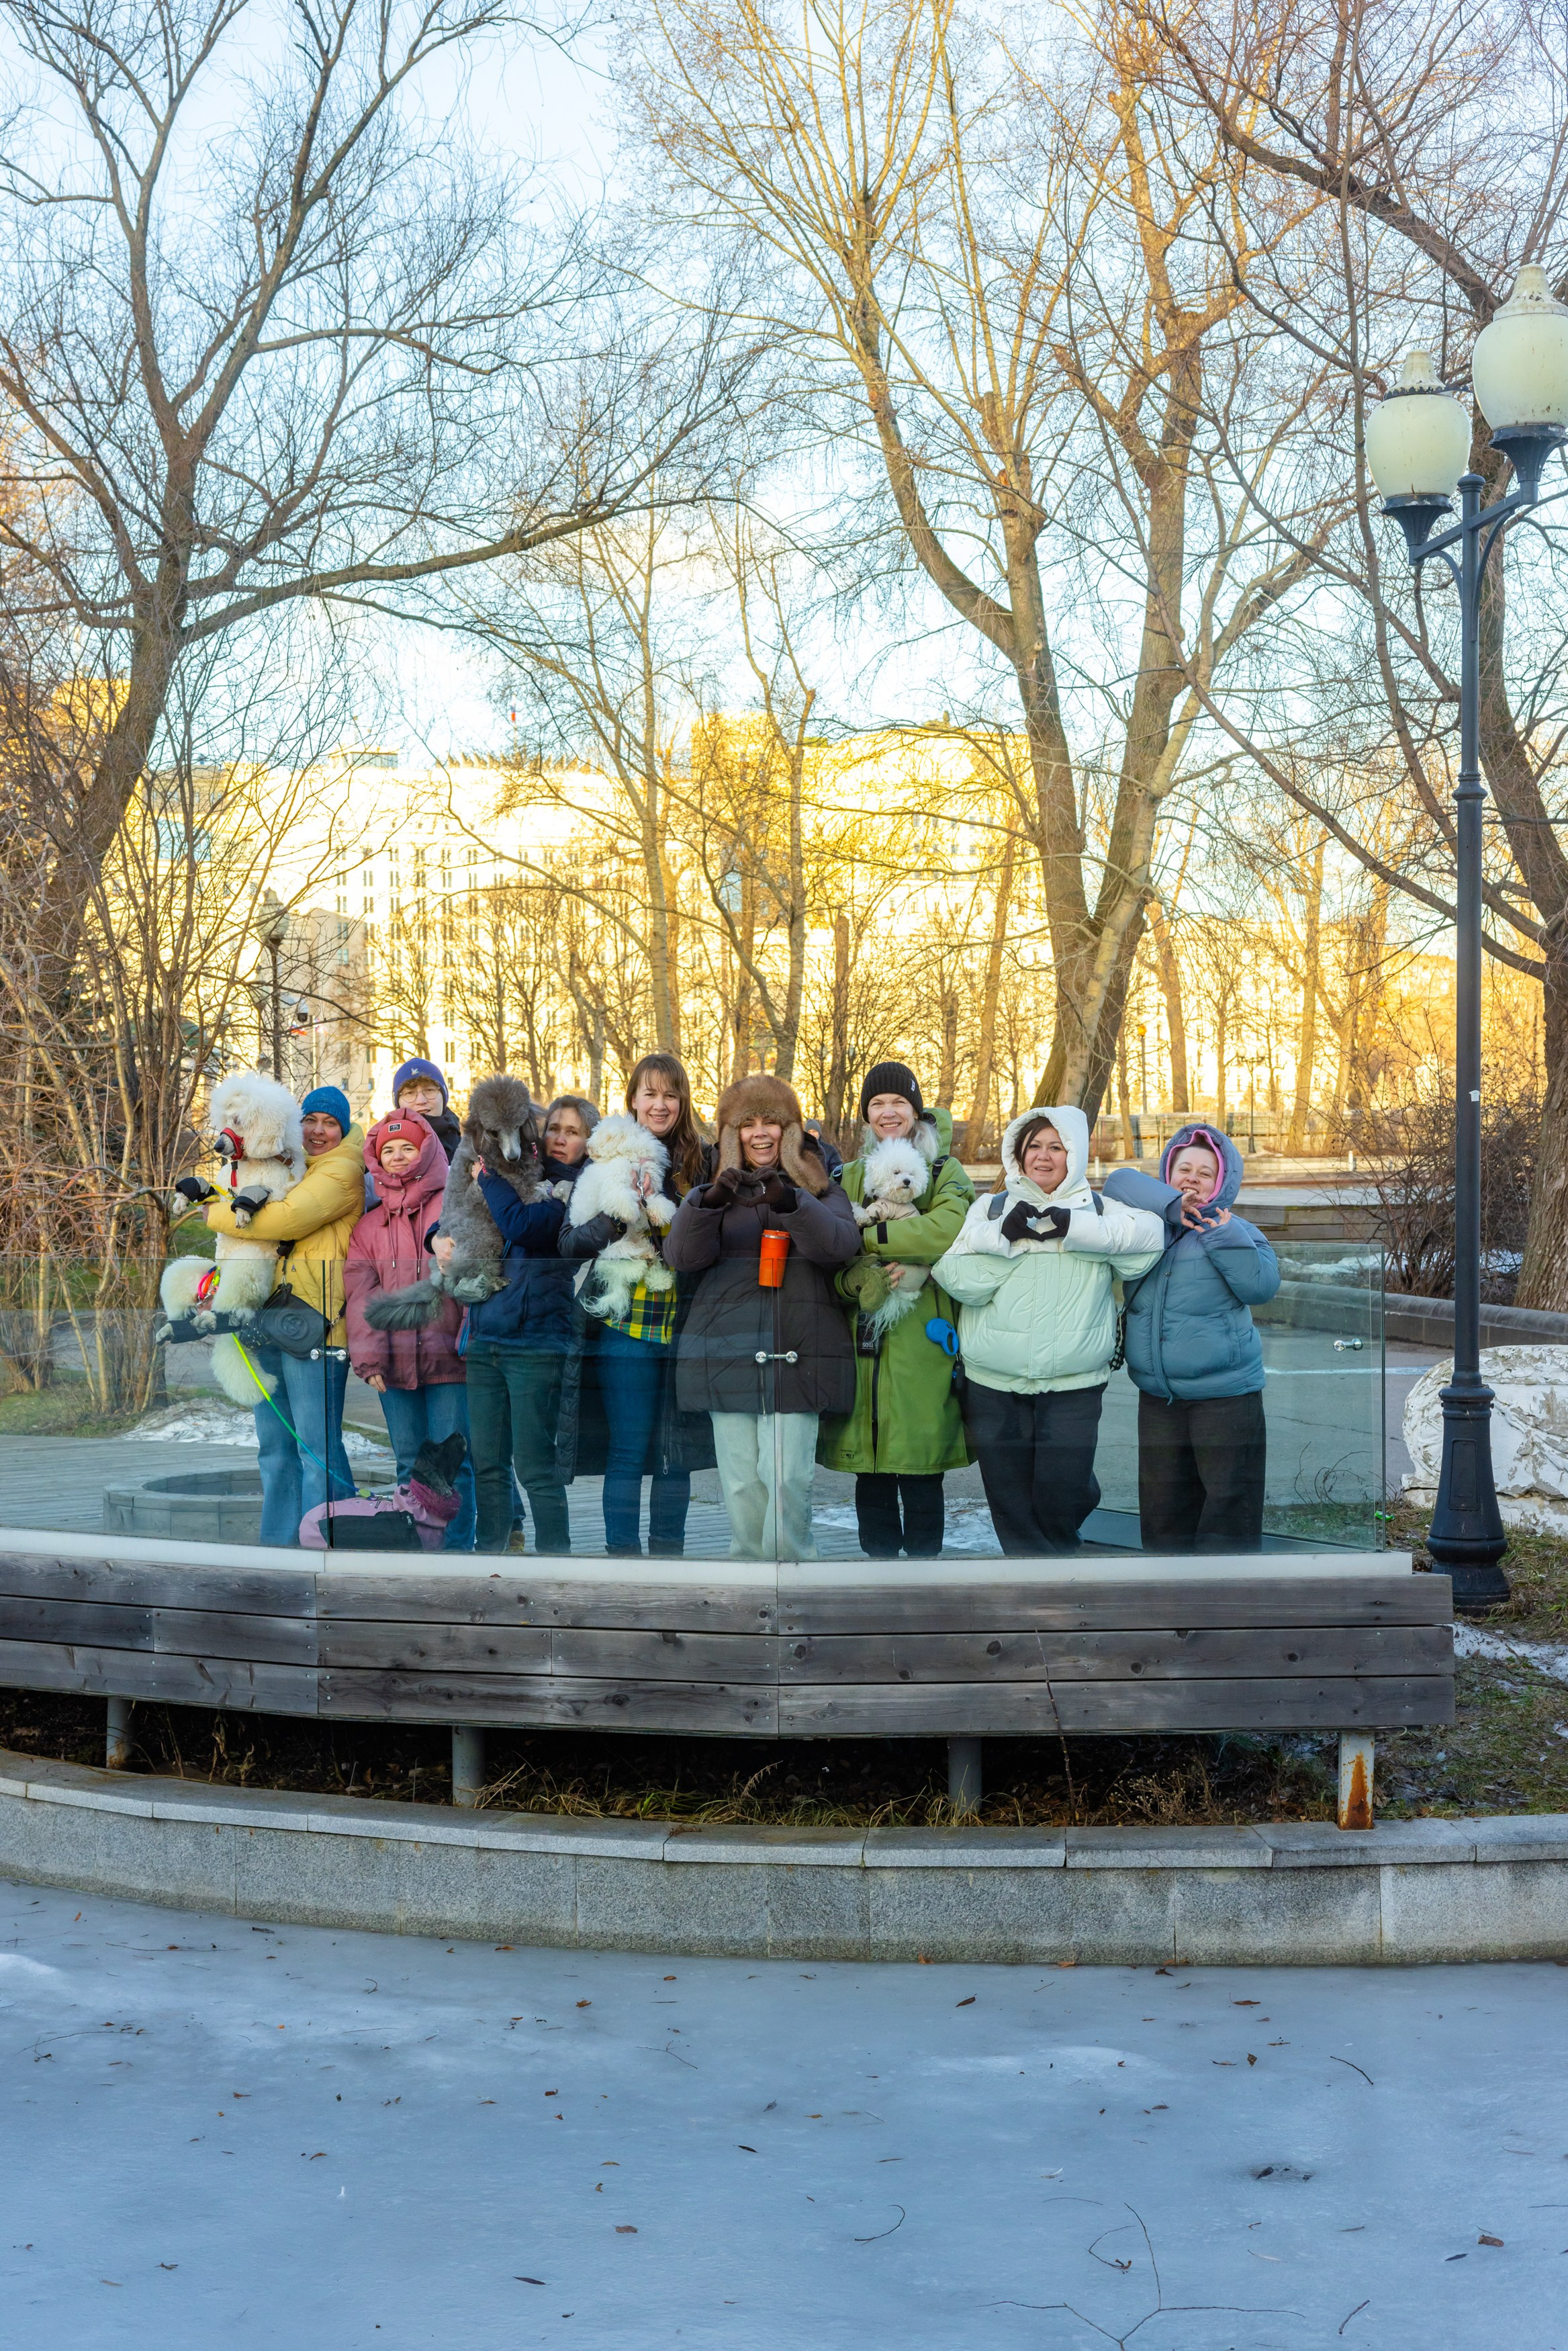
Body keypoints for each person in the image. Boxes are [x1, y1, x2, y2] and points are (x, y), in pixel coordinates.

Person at [933, 1106, 1165, 1555]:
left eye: (1055, 1147)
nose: (1043, 1156)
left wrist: (1072, 1228)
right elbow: (957, 1280)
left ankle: (1058, 1572)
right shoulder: (991, 1208)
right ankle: (1036, 1589)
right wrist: (1007, 1239)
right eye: (1033, 1146)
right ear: (1018, 1155)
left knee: (1061, 1495)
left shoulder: (1098, 1210)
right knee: (1011, 1503)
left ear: (1072, 1155)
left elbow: (1149, 1241)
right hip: (993, 1383)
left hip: (1073, 1385)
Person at [664, 1074, 860, 1559]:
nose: (759, 1133)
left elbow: (840, 1247)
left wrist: (793, 1201)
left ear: (788, 1130)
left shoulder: (820, 1180)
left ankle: (796, 1570)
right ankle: (746, 1573)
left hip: (798, 1349)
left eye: (770, 1123)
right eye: (746, 1123)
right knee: (740, 1480)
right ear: (731, 1134)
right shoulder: (709, 1185)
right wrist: (706, 1203)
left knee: (788, 1476)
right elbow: (681, 1258)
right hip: (726, 1350)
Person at [817, 1061, 974, 1556]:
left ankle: (925, 1577)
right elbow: (829, 1254)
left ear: (915, 1111)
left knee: (922, 1467)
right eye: (877, 1104)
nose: (888, 1112)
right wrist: (854, 1282)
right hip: (863, 1345)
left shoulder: (944, 1170)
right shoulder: (846, 1174)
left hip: (922, 1345)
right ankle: (877, 1573)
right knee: (871, 1471)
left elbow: (946, 1231)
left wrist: (871, 1236)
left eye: (898, 1103)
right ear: (866, 1115)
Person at [558, 1053, 711, 1556]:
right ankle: (621, 1556)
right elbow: (568, 1242)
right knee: (627, 1447)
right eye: (650, 1093)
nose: (660, 1104)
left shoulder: (701, 1162)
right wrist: (618, 1224)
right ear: (633, 1100)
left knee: (676, 1454)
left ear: (682, 1101)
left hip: (686, 1324)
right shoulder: (608, 1156)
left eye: (670, 1094)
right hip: (628, 1324)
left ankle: (669, 1554)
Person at [1103, 1124, 1281, 1553]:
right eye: (1184, 1169)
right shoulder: (1147, 1227)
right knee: (1164, 1512)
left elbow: (1262, 1286)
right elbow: (1117, 1181)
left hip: (1226, 1399)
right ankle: (1167, 1605)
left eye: (1205, 1173)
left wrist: (1221, 1236)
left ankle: (1226, 1609)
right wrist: (1170, 1207)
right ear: (1168, 1174)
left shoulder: (1237, 1231)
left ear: (1221, 1182)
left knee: (1228, 1510)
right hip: (1160, 1398)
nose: (1193, 1180)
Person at [202, 1083, 365, 1546]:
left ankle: (328, 1549)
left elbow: (286, 1220)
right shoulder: (288, 1165)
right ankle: (278, 1549)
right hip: (270, 1318)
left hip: (318, 1326)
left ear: (344, 1129)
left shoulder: (343, 1170)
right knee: (274, 1448)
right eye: (309, 1120)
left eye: (329, 1123)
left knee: (317, 1449)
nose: (317, 1131)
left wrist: (212, 1210)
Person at [343, 1109, 476, 1550]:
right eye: (388, 1150)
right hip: (395, 1367)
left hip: (451, 1361)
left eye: (407, 1148)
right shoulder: (369, 1225)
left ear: (426, 1152)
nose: (398, 1157)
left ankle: (457, 1558)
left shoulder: (455, 1208)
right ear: (376, 1160)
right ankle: (418, 1556)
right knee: (407, 1465)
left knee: (451, 1466)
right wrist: (368, 1357)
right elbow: (362, 1296)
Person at [453, 1112, 579, 1555]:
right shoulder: (508, 1176)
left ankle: (554, 1563)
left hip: (535, 1342)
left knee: (535, 1466)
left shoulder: (571, 1188)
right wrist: (436, 1237)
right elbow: (456, 1214)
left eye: (573, 1132)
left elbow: (522, 1226)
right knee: (488, 1464)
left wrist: (486, 1177)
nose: (558, 1140)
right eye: (553, 1130)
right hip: (486, 1336)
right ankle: (489, 1557)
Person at [391, 1057, 462, 1161]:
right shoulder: (379, 1156)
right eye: (410, 1093)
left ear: (444, 1097)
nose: (421, 1100)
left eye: (429, 1090)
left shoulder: (475, 1154)